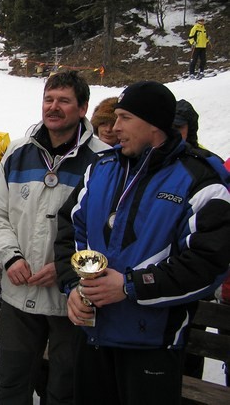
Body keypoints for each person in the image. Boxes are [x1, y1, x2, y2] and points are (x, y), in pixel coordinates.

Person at [54, 81, 230, 404]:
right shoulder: (100, 169)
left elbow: (207, 263)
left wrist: (129, 285)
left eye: (125, 118)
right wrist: (72, 287)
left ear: (154, 125)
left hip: (152, 347)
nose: (114, 127)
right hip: (92, 337)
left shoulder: (200, 180)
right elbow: (69, 230)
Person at [0, 70, 109, 404]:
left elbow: (107, 227)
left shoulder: (103, 159)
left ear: (82, 108)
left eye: (64, 100)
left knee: (63, 388)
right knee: (11, 384)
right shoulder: (19, 152)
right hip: (18, 293)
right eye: (48, 99)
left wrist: (67, 267)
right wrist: (10, 257)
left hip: (72, 299)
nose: (53, 107)